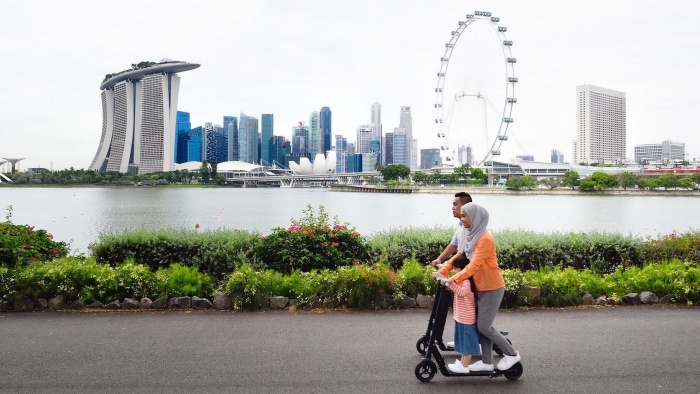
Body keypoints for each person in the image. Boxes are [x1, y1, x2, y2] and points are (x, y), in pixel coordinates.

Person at [432, 203, 522, 372]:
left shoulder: (485, 239)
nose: (462, 218)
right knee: (481, 325)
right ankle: (487, 362)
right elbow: (460, 254)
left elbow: (473, 266)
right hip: (480, 287)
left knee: (484, 327)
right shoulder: (471, 234)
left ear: (476, 218)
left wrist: (451, 279)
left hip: (492, 287)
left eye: (465, 216)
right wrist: (443, 271)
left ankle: (511, 354)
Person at [437, 256, 479, 374]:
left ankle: (465, 366)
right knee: (462, 341)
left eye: (456, 269)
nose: (454, 272)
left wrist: (448, 283)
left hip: (467, 318)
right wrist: (447, 281)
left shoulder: (466, 281)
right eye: (454, 269)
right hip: (461, 317)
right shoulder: (460, 280)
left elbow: (462, 292)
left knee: (467, 344)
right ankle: (461, 363)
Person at [430, 192, 472, 268]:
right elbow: (454, 244)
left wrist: (446, 265)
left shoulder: (471, 227)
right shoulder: (461, 224)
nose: (452, 208)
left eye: (455, 204)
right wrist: (439, 259)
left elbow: (464, 253)